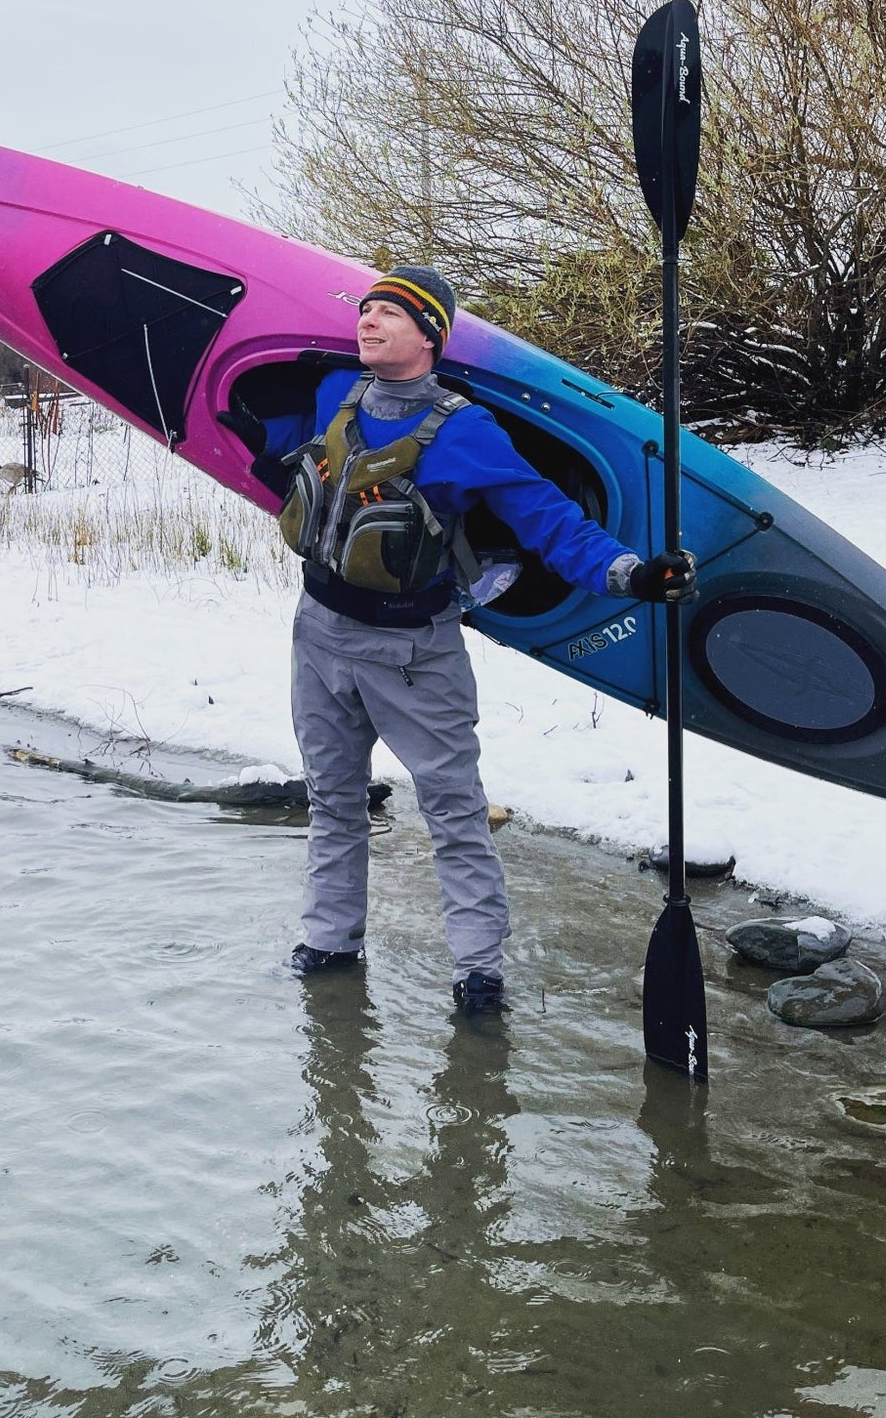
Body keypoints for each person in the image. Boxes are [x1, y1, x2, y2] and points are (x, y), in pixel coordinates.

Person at [257, 265, 695, 1015]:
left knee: (453, 811)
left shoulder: (464, 429)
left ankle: (479, 970)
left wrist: (632, 575)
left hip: (413, 655)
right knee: (333, 801)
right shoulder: (334, 396)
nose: (367, 320)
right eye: (365, 309)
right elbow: (259, 444)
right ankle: (331, 941)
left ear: (430, 334)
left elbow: (550, 520)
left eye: (390, 313)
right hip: (319, 638)